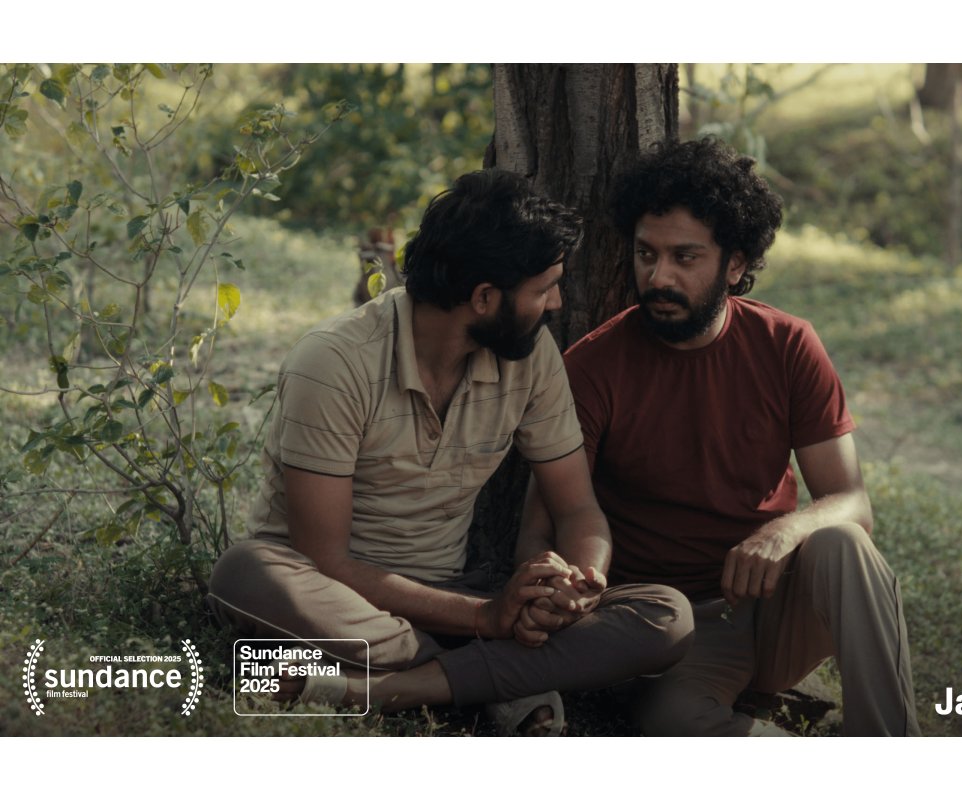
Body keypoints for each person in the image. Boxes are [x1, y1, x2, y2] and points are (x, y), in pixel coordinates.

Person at [207, 169, 693, 734]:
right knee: (243, 574)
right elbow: (327, 560)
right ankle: (495, 676)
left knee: (665, 618)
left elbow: (578, 509)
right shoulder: (335, 363)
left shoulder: (530, 357)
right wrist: (490, 619)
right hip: (333, 596)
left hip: (452, 594)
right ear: (484, 298)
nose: (557, 303)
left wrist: (578, 586)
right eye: (544, 289)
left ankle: (386, 686)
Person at [517, 138, 921, 736]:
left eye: (685, 257)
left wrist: (783, 533)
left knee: (844, 545)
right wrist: (557, 587)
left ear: (735, 264)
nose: (659, 276)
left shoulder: (787, 344)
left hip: (778, 602)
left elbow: (852, 502)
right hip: (680, 625)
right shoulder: (593, 367)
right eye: (646, 254)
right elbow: (540, 523)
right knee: (673, 721)